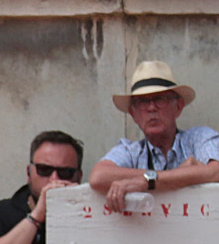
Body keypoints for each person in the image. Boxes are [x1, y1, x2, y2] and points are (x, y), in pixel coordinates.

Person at [88, 62, 219, 212]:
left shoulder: (198, 138)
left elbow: (216, 171)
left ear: (178, 107)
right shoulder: (131, 151)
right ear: (133, 114)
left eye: (159, 99)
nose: (151, 108)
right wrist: (160, 178)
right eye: (143, 101)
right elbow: (98, 177)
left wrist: (146, 182)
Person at [0, 130, 84, 244]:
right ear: (28, 173)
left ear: (79, 177)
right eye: (44, 170)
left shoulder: (88, 216)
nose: (54, 179)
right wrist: (36, 216)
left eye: (65, 172)